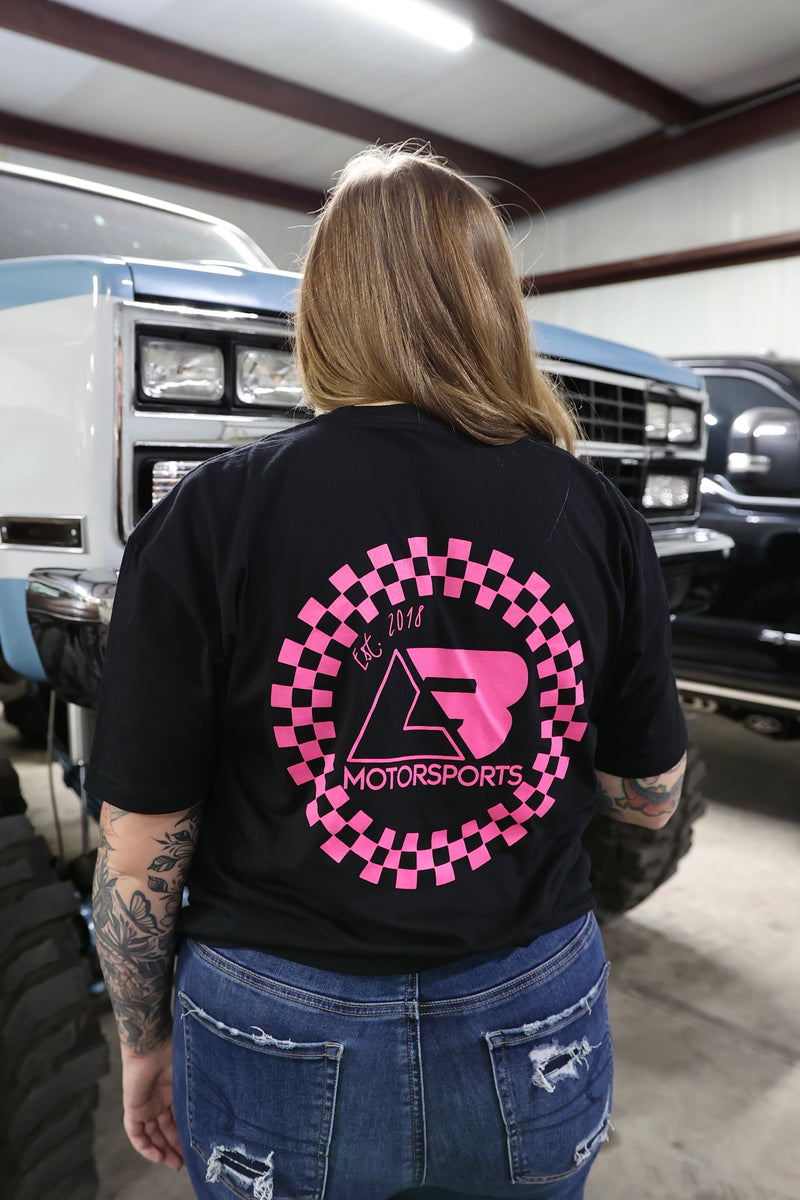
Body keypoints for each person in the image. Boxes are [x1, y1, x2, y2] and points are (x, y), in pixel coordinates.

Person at [88, 144, 687, 1200]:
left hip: (273, 1017)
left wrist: (142, 1044)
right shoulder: (591, 513)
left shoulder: (209, 515)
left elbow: (141, 850)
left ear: (323, 305)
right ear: (493, 304)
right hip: (529, 1004)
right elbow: (646, 804)